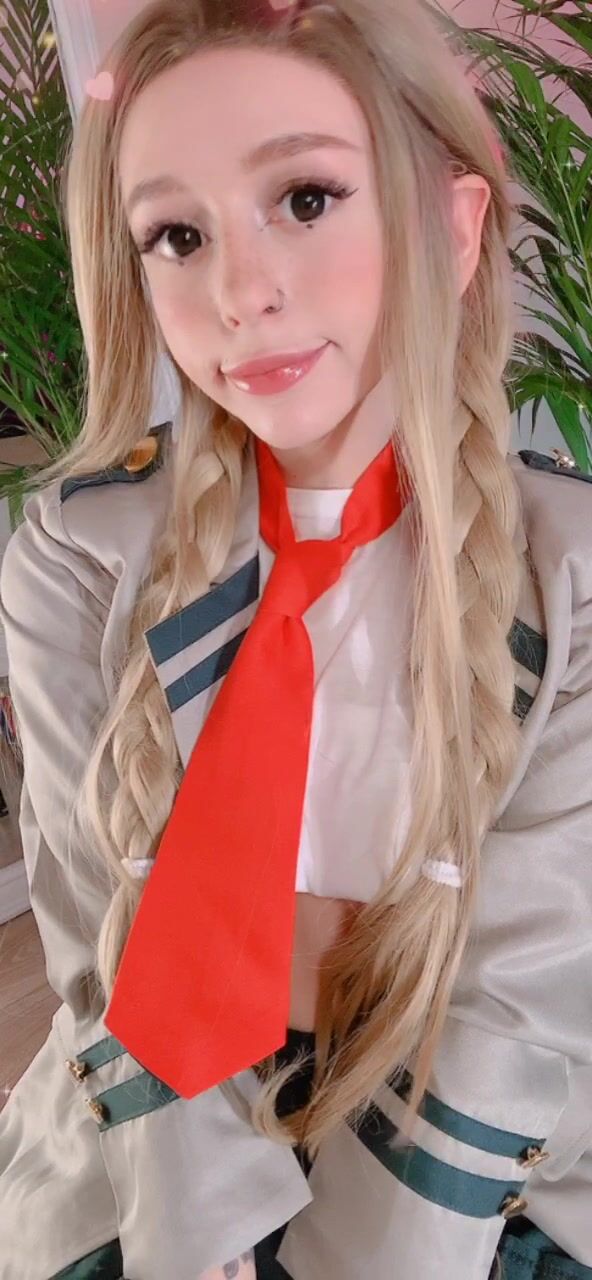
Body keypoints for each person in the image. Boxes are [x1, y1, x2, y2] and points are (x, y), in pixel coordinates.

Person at [0, 0, 591, 1277]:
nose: (238, 293)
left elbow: (518, 997)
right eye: (177, 234)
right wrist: (200, 1232)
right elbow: (96, 930)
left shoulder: (573, 573)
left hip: (486, 1164)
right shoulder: (76, 557)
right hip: (159, 1132)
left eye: (306, 199)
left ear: (453, 225)